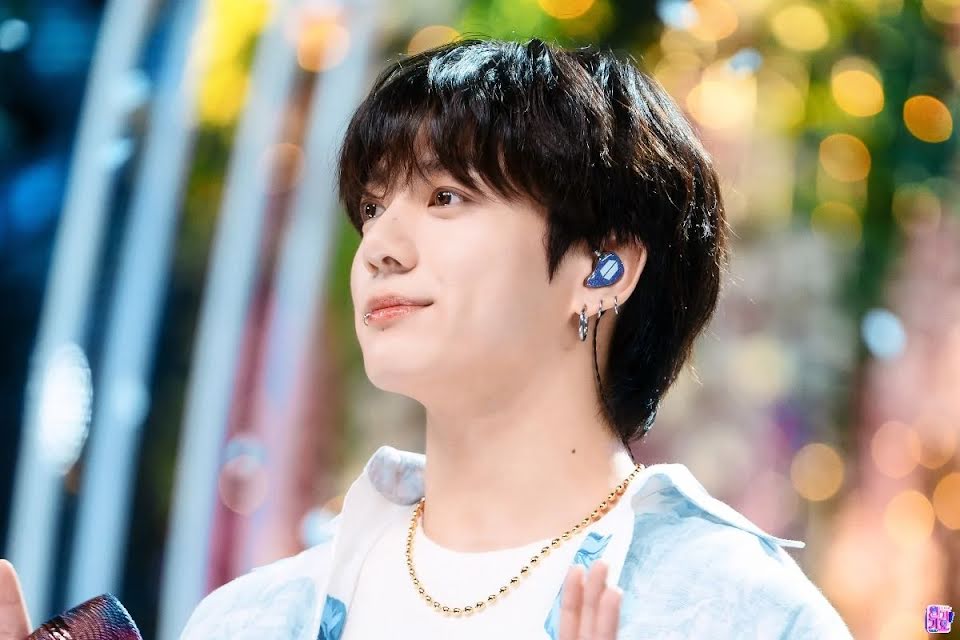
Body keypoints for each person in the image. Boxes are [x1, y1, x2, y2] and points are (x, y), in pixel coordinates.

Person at [0, 38, 854, 640]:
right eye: (373, 207)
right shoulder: (252, 620)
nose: (380, 245)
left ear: (603, 268)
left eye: (446, 197)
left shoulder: (738, 614)